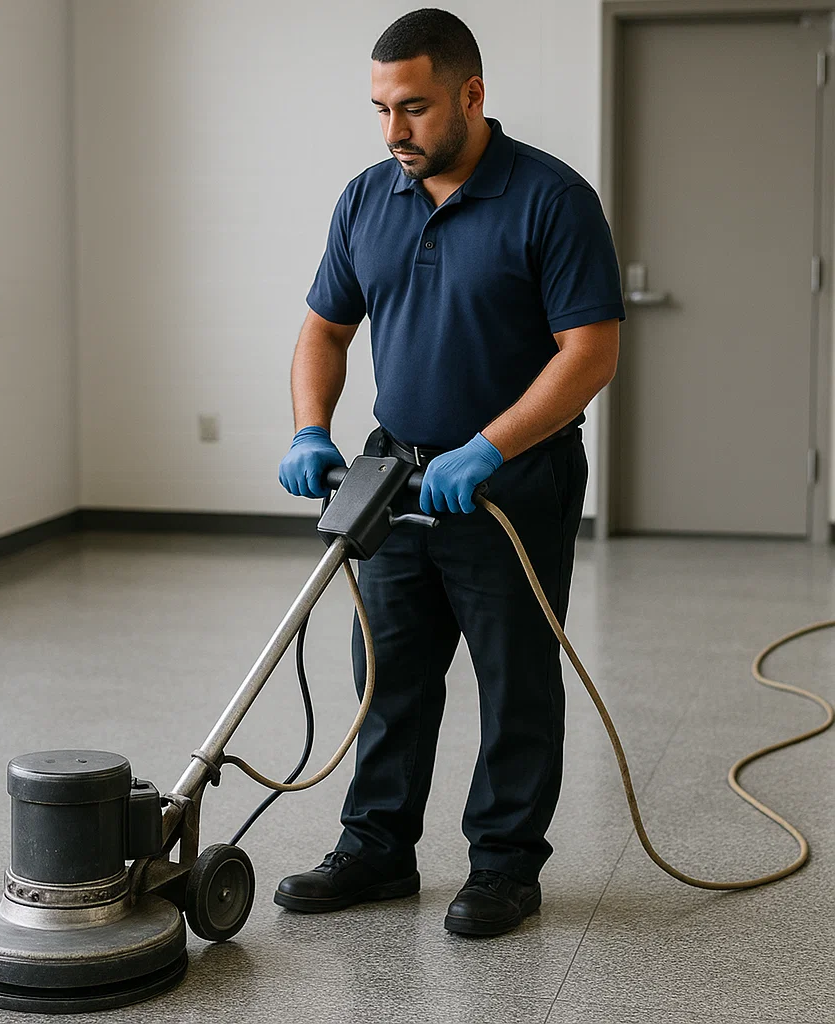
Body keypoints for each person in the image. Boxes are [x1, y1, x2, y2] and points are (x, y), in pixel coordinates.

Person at [275, 8, 624, 937]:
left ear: (471, 94)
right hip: (392, 476)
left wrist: (492, 446)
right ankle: (377, 848)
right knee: (386, 671)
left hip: (512, 482)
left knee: (514, 680)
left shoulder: (551, 198)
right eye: (381, 109)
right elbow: (325, 329)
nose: (395, 131)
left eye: (415, 108)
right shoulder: (367, 199)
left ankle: (505, 865)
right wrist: (311, 430)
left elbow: (589, 352)